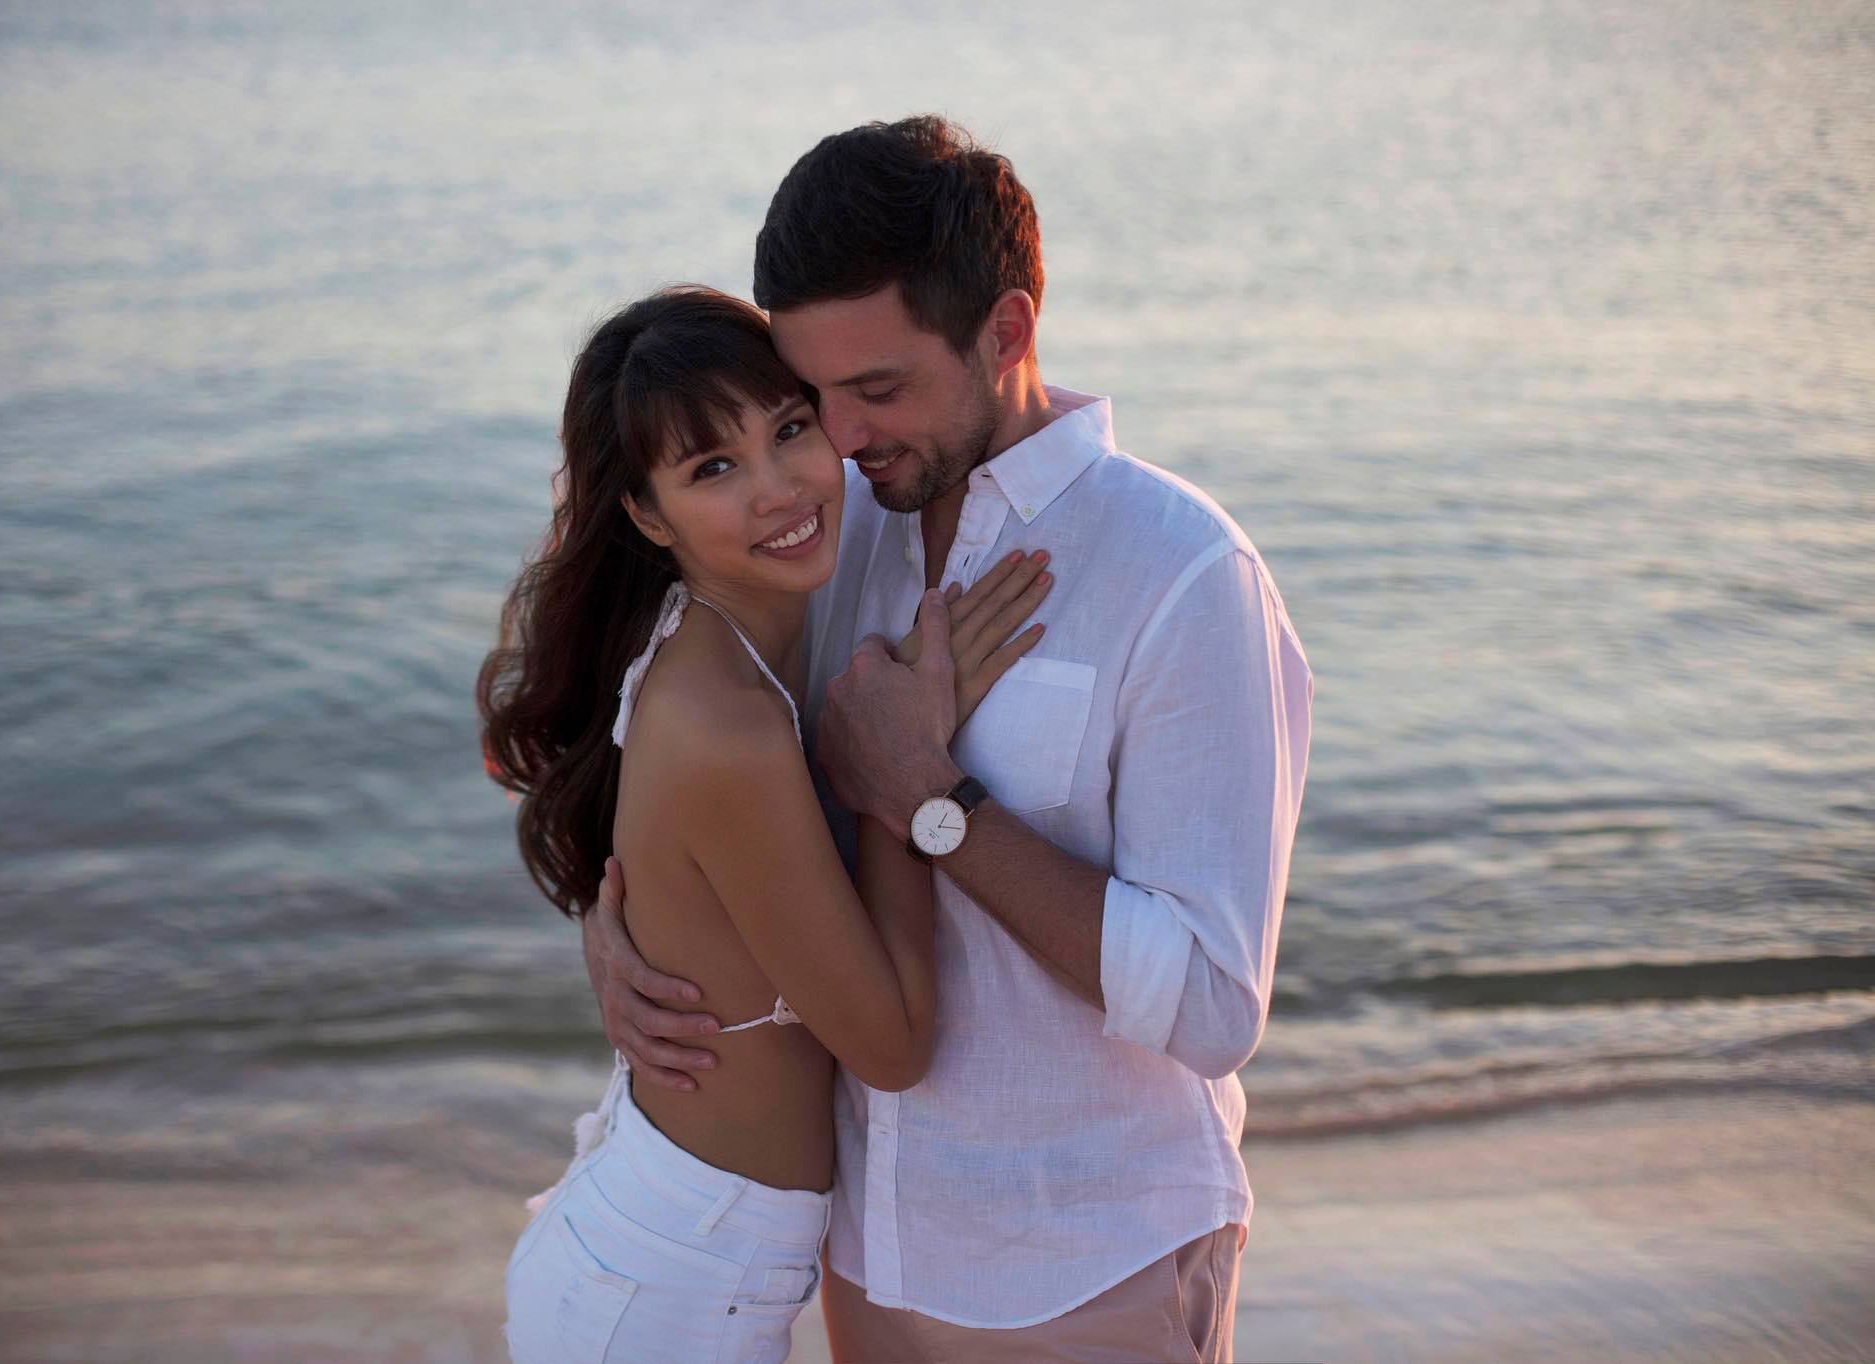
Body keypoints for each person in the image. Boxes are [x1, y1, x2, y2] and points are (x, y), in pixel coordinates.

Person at [582, 117, 1314, 1361]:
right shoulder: (832, 527)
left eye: (878, 389)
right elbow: (703, 767)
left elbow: (1208, 1000)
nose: (838, 436)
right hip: (862, 1253)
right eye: (812, 395)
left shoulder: (1182, 573)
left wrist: (931, 801)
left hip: (1090, 1266)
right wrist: (621, 929)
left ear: (1006, 331)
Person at [478, 285, 1056, 1363]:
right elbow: (891, 1047)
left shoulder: (716, 633)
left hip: (654, 1238)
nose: (779, 487)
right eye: (713, 468)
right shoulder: (730, 723)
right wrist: (898, 774)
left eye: (789, 429)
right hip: (672, 1292)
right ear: (647, 516)